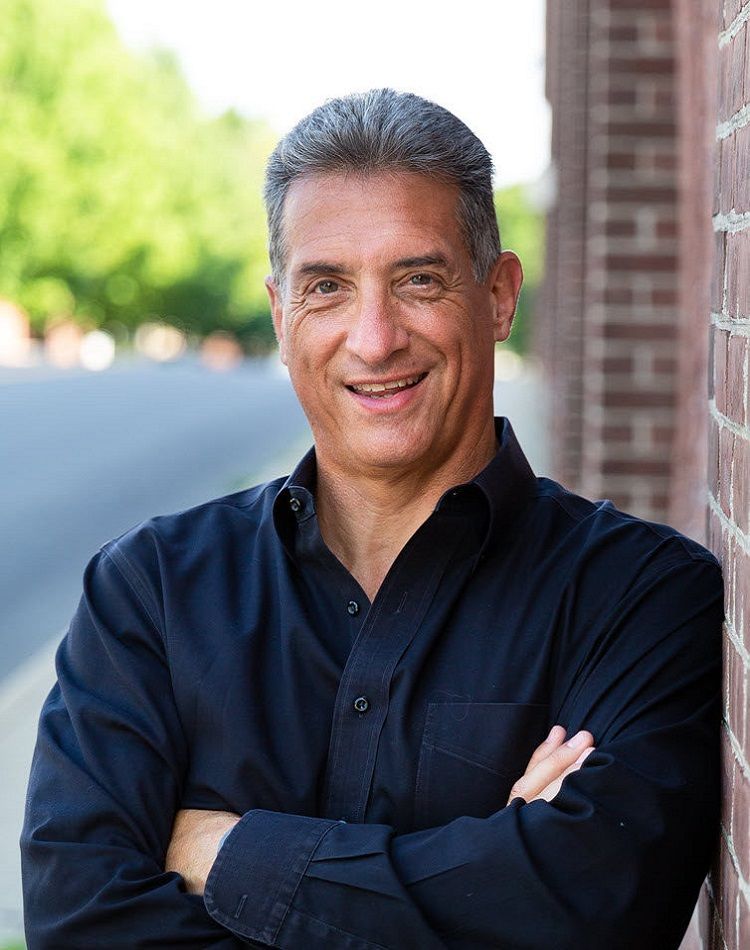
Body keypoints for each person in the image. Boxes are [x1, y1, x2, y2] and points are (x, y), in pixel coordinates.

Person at [21, 89, 723, 949]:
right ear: (282, 316)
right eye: (327, 288)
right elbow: (79, 918)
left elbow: (591, 907)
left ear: (498, 296)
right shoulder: (150, 593)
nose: (375, 337)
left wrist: (229, 851)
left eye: (417, 280)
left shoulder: (640, 595)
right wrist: (490, 870)